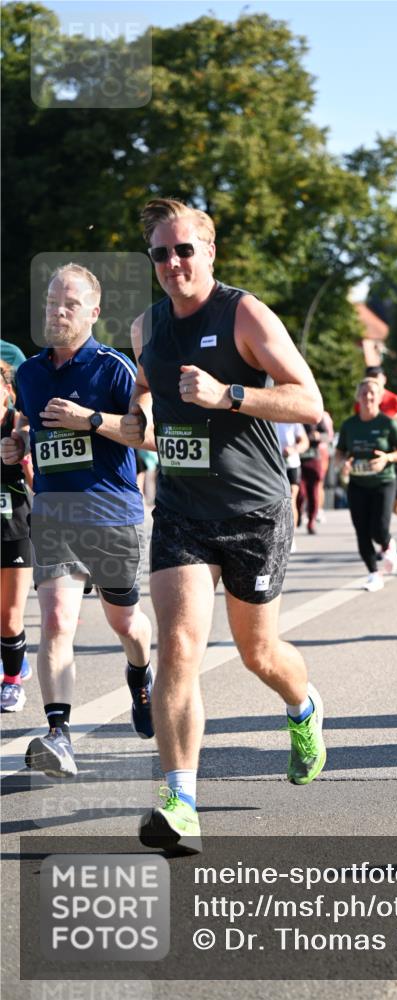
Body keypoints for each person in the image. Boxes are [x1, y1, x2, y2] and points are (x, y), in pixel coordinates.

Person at [121, 198, 326, 855]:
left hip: (253, 512)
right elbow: (141, 411)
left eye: (185, 249)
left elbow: (307, 401)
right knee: (178, 646)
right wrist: (119, 428)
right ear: (151, 261)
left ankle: (303, 707)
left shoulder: (243, 313)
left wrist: (229, 394)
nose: (174, 262)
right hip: (181, 511)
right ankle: (180, 801)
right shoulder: (144, 328)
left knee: (257, 654)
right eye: (161, 252)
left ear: (209, 252)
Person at [1, 264, 154, 776]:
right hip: (54, 516)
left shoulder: (114, 367)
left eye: (69, 304)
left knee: (126, 623)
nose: (57, 312)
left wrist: (88, 420)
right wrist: (17, 444)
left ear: (93, 311)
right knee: (56, 622)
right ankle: (58, 734)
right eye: (50, 304)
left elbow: (145, 435)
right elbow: (31, 429)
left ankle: (141, 675)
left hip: (112, 517)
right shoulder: (29, 373)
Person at [336, 377, 397, 591]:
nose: (368, 397)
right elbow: (340, 452)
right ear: (358, 397)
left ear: (379, 397)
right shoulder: (350, 425)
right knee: (361, 531)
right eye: (363, 393)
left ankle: (387, 543)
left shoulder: (388, 424)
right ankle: (373, 573)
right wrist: (343, 464)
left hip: (383, 482)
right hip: (357, 484)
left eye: (372, 393)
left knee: (378, 529)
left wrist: (387, 458)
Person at [1, 361, 33, 711]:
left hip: (16, 529)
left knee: (9, 616)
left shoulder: (17, 428)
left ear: (8, 393)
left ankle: (12, 683)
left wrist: (27, 466)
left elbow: (41, 486)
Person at [276, 421, 308, 550]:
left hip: (292, 464)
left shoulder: (292, 418)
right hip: (274, 464)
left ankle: (291, 536)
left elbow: (305, 442)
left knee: (291, 500)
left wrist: (293, 449)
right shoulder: (266, 415)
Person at [297, 418, 330, 534]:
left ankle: (311, 522)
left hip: (313, 459)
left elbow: (327, 435)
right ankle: (299, 513)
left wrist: (319, 436)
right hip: (297, 459)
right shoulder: (293, 413)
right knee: (299, 492)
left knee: (313, 493)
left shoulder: (316, 415)